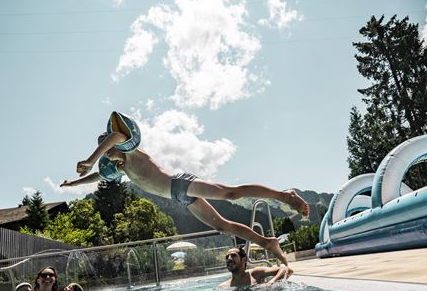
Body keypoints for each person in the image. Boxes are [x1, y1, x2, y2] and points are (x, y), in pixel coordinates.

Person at [61, 111, 309, 266]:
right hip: (180, 197)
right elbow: (97, 177)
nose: (108, 151)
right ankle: (267, 242)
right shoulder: (123, 167)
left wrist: (92, 157)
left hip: (180, 183)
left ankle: (285, 196)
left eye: (106, 146)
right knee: (221, 225)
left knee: (229, 193)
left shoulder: (131, 150)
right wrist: (74, 183)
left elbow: (114, 137)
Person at [217, 246, 293, 288]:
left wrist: (270, 284)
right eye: (227, 257)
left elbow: (287, 269)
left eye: (233, 255)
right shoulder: (223, 286)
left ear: (244, 260)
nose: (229, 259)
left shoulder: (255, 274)